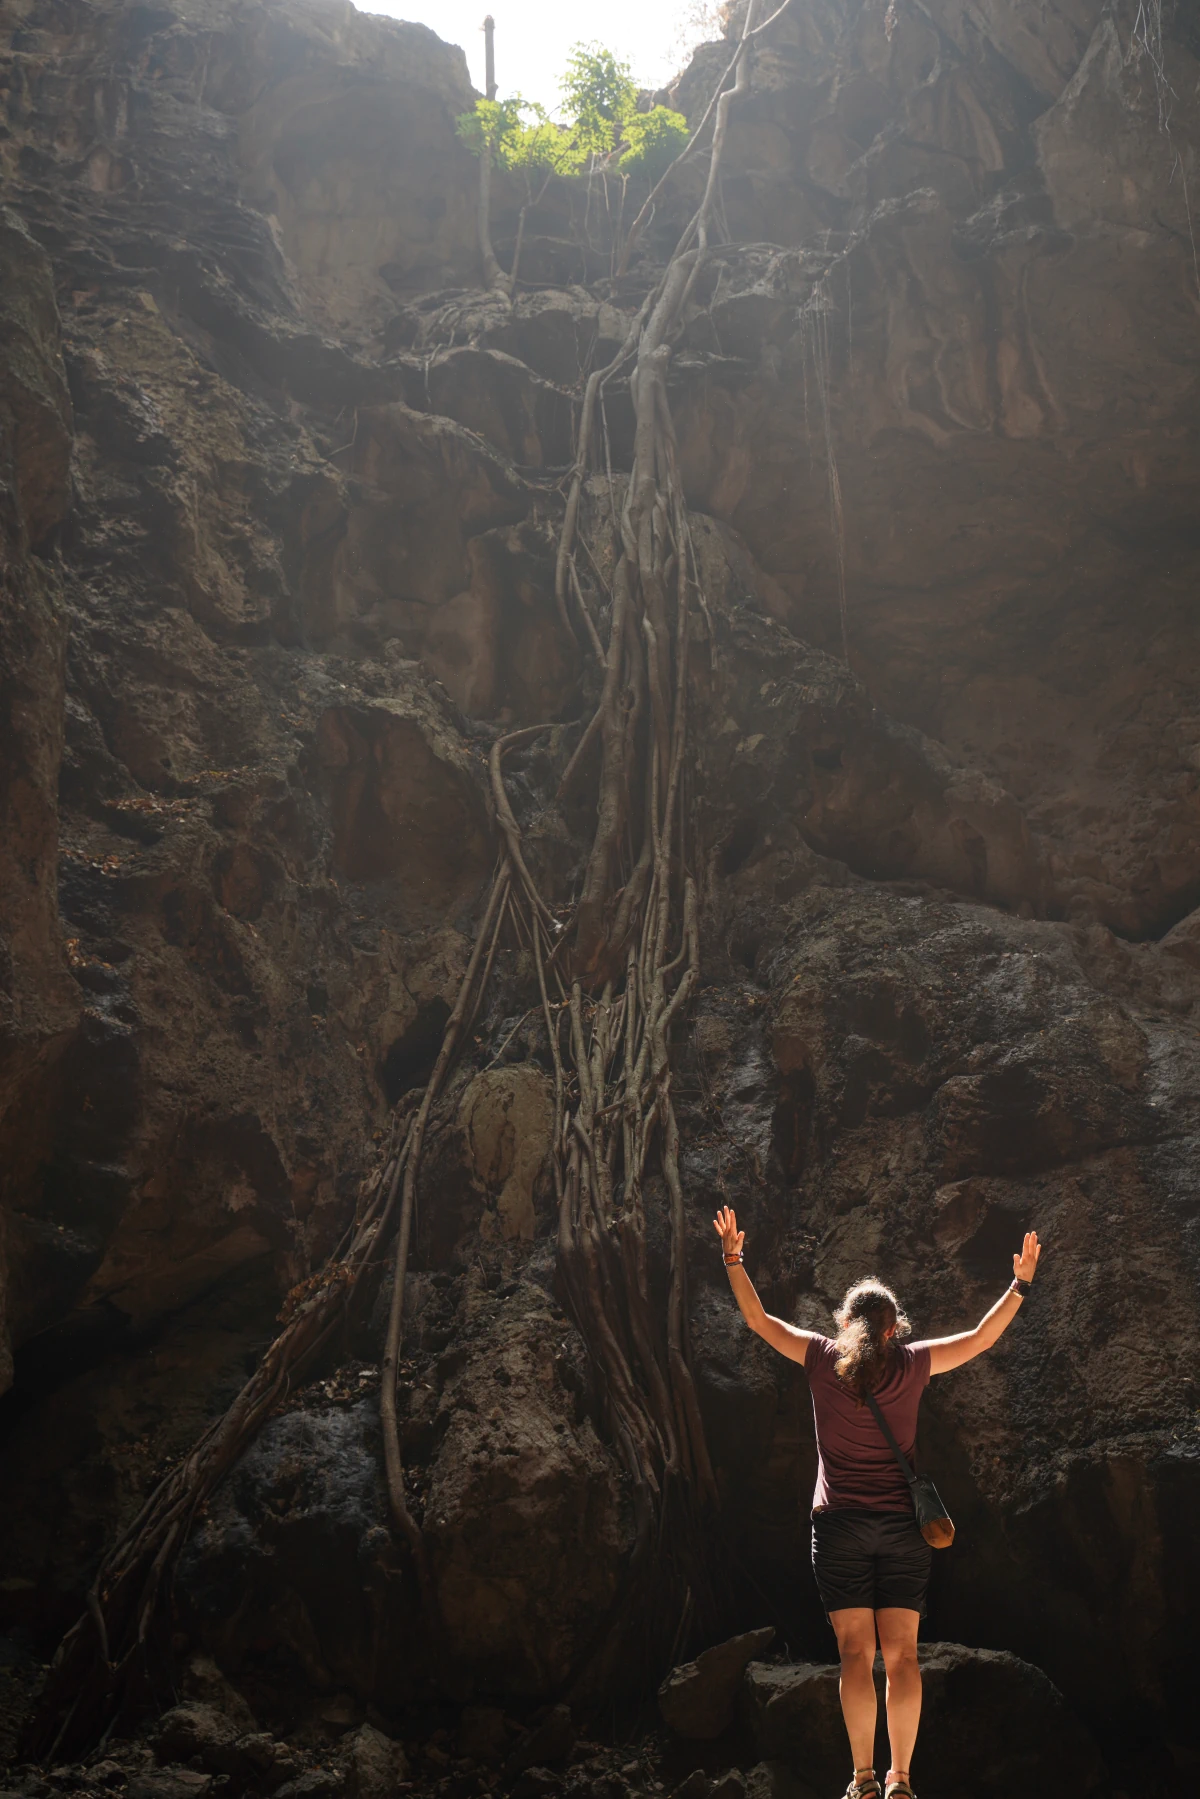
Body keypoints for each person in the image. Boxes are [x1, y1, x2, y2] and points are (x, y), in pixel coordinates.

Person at [713, 1205, 1041, 1799]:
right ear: (895, 1329)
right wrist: (1018, 1284)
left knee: (855, 1657)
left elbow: (758, 1321)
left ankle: (862, 1777)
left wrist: (735, 1258)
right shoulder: (913, 1364)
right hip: (901, 1531)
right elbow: (980, 1339)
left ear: (844, 1323)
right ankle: (900, 1781)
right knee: (904, 1658)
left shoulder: (819, 1357)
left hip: (837, 1529)